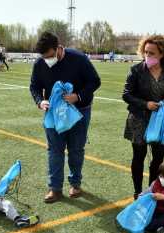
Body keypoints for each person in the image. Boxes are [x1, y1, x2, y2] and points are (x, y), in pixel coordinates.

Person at [29, 31, 101, 203]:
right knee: (54, 149)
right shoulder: (40, 63)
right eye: (43, 57)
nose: (47, 60)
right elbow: (34, 87)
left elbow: (94, 81)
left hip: (79, 111)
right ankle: (55, 188)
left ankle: (75, 183)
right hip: (53, 113)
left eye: (50, 56)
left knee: (76, 148)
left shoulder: (78, 58)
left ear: (58, 48)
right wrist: (40, 102)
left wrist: (78, 96)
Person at [122, 34, 164, 200]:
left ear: (162, 53)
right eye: (146, 52)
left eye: (152, 53)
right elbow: (126, 94)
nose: (148, 56)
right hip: (139, 119)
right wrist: (145, 104)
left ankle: (153, 191)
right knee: (138, 156)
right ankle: (138, 192)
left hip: (161, 120)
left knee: (158, 158)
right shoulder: (136, 70)